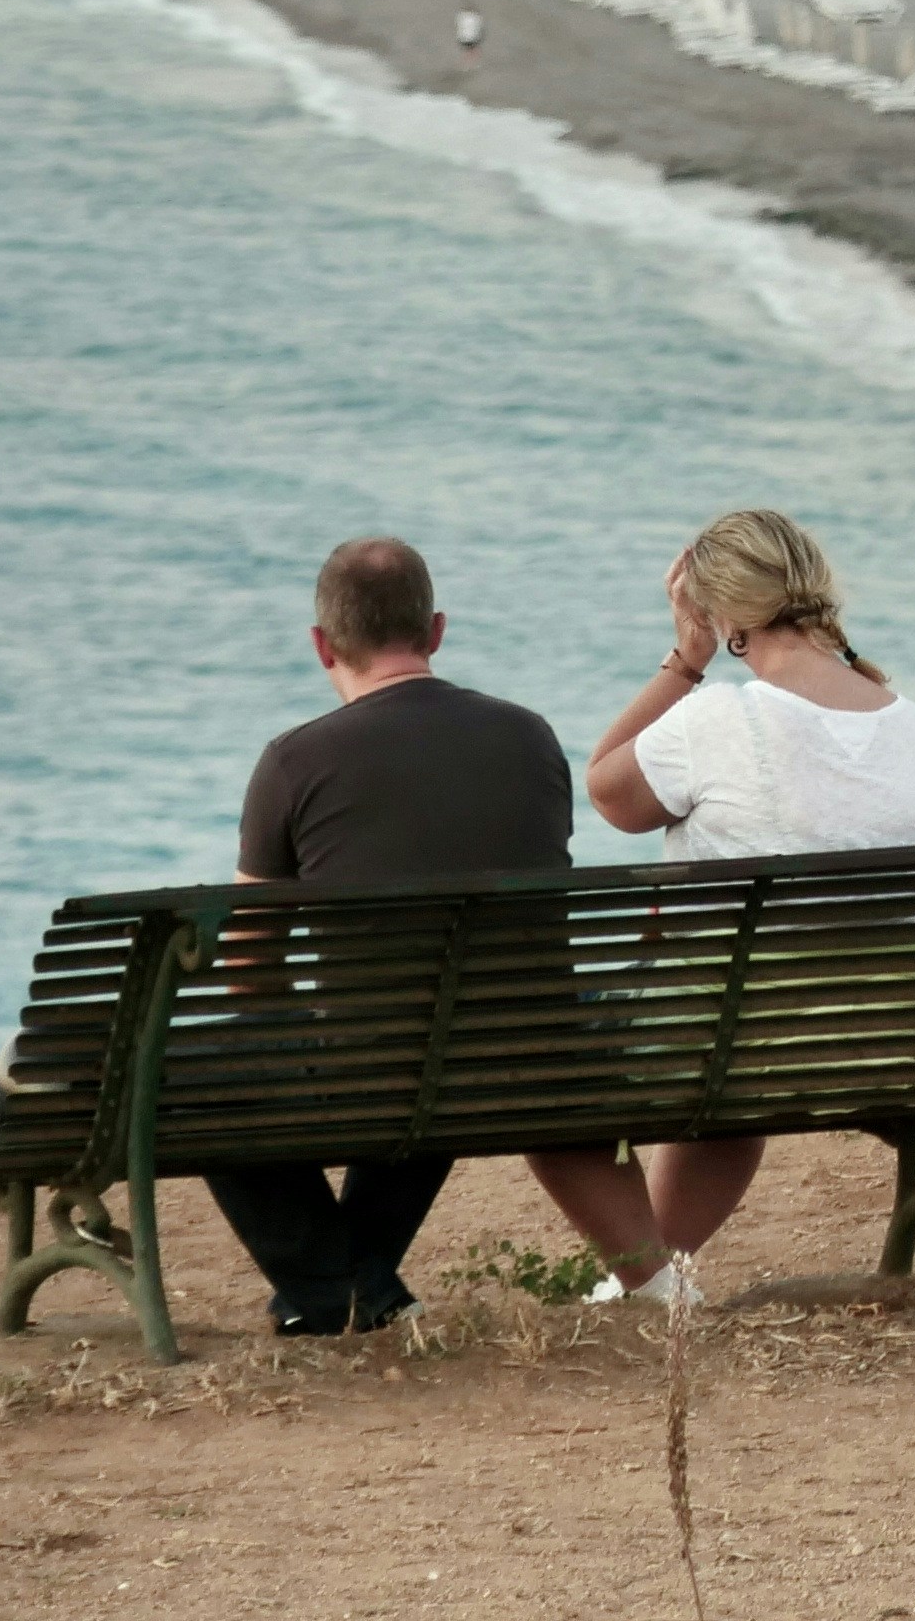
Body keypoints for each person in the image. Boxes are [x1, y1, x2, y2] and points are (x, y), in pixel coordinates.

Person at [526, 508, 915, 1310]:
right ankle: (647, 1289)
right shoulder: (910, 723)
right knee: (738, 1055)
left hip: (738, 1031)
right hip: (883, 1034)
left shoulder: (724, 714)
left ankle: (648, 1280)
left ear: (722, 612)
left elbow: (609, 791)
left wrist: (684, 661)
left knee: (541, 1055)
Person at [207, 537, 572, 1335]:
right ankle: (349, 1282)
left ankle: (344, 1292)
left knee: (207, 1075)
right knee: (430, 1028)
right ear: (435, 630)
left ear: (320, 645)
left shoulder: (294, 762)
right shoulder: (532, 737)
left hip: (389, 1063)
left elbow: (247, 971)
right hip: (530, 1056)